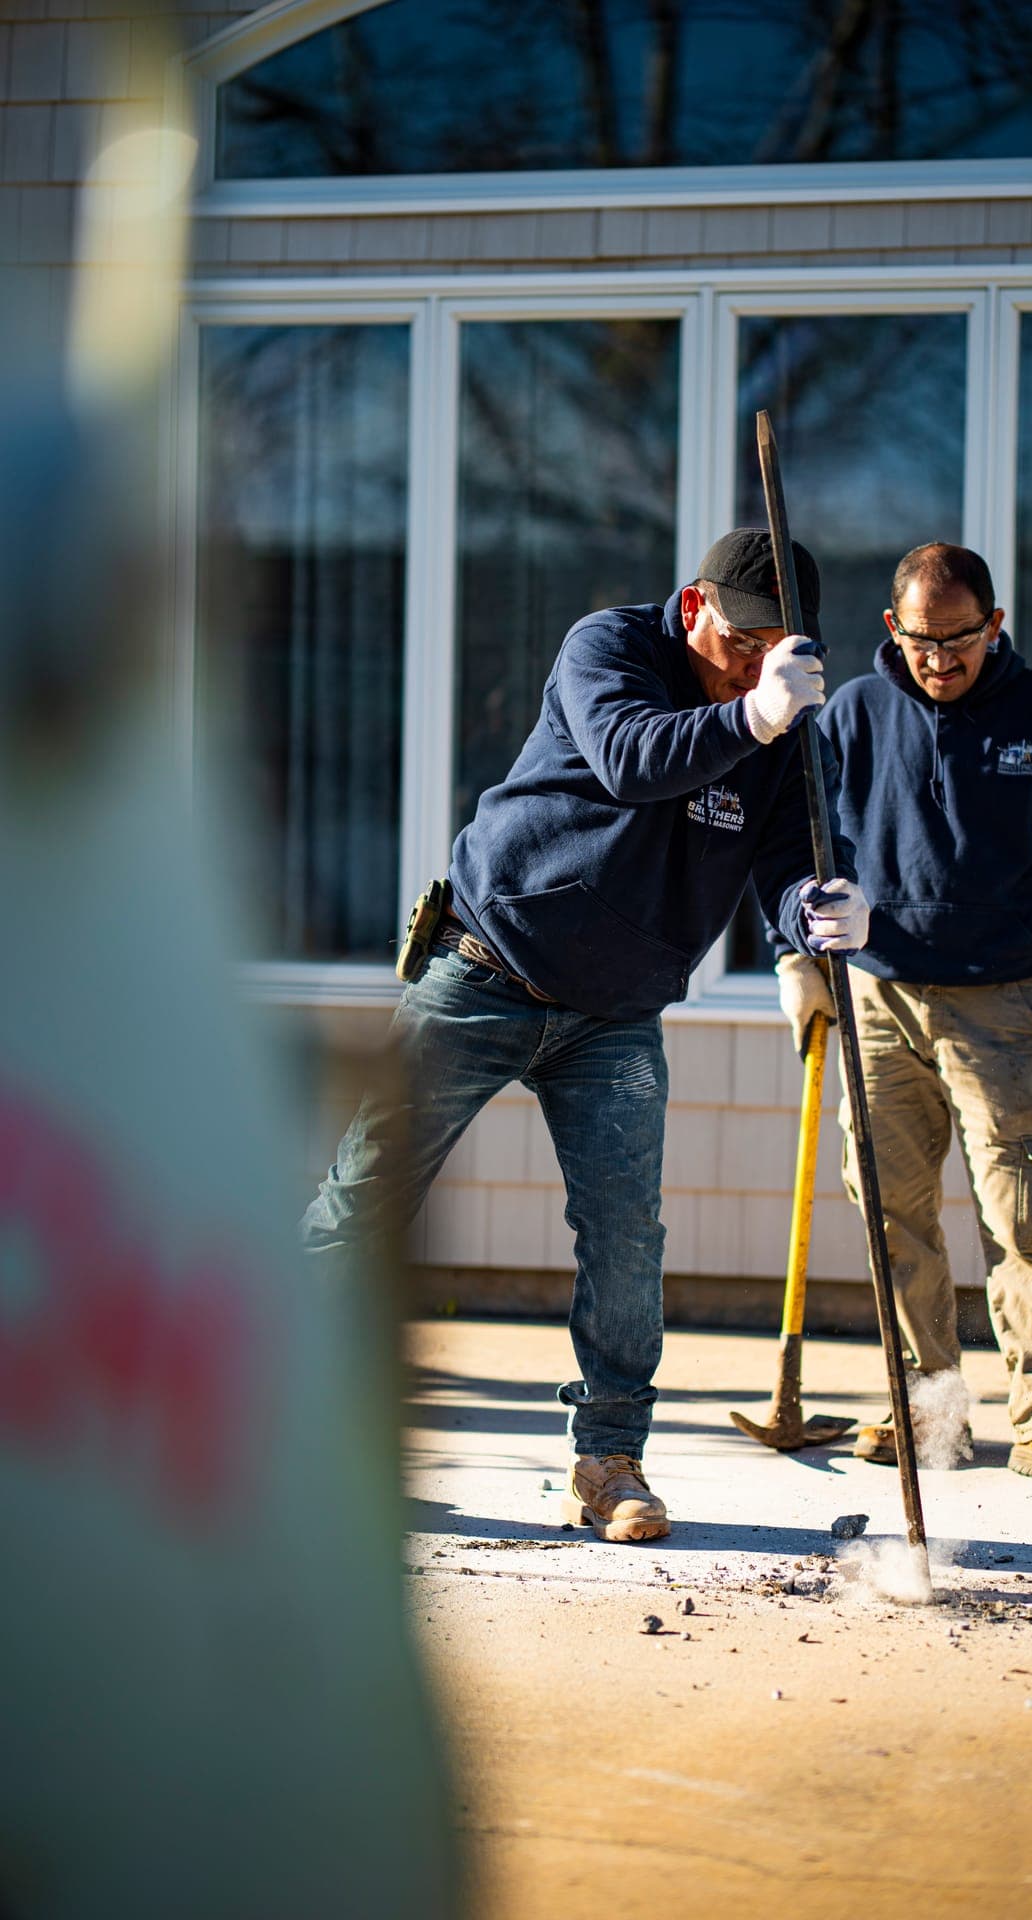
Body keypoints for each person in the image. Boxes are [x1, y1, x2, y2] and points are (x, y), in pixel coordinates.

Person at [303, 529, 865, 1542]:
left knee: (626, 1237)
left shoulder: (788, 727)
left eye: (777, 647)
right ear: (694, 605)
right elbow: (630, 759)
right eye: (740, 640)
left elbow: (783, 860)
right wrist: (754, 712)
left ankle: (609, 1460)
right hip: (482, 969)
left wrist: (816, 912)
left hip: (616, 1012)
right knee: (361, 1204)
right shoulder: (608, 648)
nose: (752, 660)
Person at [777, 542, 1032, 1492]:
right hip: (875, 992)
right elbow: (794, 840)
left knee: (1024, 1215)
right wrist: (795, 950)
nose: (940, 659)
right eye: (920, 639)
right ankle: (924, 1412)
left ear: (995, 624)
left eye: (960, 638)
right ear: (891, 629)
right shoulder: (848, 712)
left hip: (1000, 999)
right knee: (891, 1215)